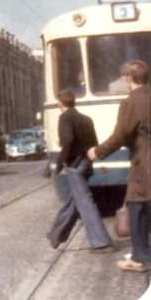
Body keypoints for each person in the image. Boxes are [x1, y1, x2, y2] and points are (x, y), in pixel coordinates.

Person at [88, 60, 151, 272]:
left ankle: (140, 257)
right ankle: (142, 254)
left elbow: (121, 135)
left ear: (128, 78)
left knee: (137, 206)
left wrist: (98, 151)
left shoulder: (131, 102)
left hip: (143, 163)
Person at [47, 89, 112, 252]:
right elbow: (94, 143)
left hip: (74, 165)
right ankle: (56, 234)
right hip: (86, 163)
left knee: (85, 202)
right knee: (75, 201)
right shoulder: (86, 119)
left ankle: (101, 242)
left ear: (60, 103)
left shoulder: (65, 117)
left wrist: (61, 163)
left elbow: (67, 141)